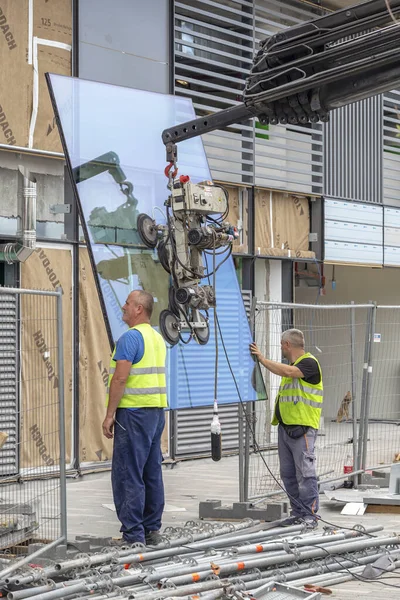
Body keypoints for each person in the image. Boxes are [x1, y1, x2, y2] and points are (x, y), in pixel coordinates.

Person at [102, 290, 167, 546]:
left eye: (128, 303)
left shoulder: (130, 338)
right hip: (155, 412)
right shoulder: (156, 337)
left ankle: (133, 536)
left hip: (133, 414)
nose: (124, 307)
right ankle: (151, 531)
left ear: (139, 308)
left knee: (128, 473)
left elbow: (120, 378)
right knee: (151, 472)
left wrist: (109, 414)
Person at [250, 329, 323, 529]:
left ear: (287, 345)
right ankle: (297, 513)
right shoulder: (292, 365)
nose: (281, 348)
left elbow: (287, 372)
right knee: (288, 474)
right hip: (286, 430)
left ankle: (310, 515)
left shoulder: (309, 363)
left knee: (305, 474)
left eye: (282, 345)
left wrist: (262, 360)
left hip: (303, 429)